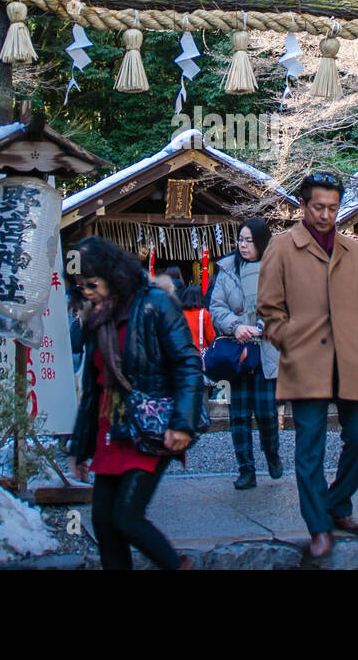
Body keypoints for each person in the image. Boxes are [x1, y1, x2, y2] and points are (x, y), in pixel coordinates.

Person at [257, 173, 358, 558]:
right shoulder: (282, 248)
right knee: (310, 450)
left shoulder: (356, 252)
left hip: (352, 359)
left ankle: (337, 504)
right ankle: (318, 525)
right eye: (318, 207)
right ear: (303, 206)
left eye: (332, 208)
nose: (325, 215)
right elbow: (269, 307)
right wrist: (289, 340)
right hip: (306, 361)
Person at [67, 236, 203, 570]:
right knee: (103, 522)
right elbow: (92, 385)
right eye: (79, 286)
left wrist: (182, 423)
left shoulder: (156, 303)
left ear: (112, 275)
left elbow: (187, 362)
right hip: (110, 427)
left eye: (91, 284)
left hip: (151, 425)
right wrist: (79, 446)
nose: (86, 292)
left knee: (127, 517)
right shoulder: (97, 315)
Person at [209, 217, 281, 489]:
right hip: (237, 351)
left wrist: (263, 325)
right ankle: (245, 469)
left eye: (249, 240)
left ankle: (272, 453)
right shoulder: (227, 270)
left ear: (262, 242)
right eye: (241, 239)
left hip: (265, 349)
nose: (243, 245)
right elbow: (216, 307)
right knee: (238, 414)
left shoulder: (275, 269)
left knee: (266, 412)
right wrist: (236, 325)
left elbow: (284, 304)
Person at [180, 284, 215, 354]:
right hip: (199, 353)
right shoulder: (204, 314)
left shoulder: (179, 314)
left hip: (182, 353)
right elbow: (210, 338)